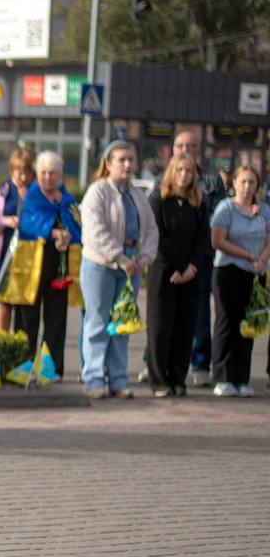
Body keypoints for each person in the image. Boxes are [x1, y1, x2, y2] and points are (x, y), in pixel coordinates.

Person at [79, 140, 158, 399]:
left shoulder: (136, 195)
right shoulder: (97, 191)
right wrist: (120, 257)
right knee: (98, 322)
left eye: (130, 159)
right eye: (121, 159)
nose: (127, 164)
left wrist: (143, 257)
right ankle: (93, 378)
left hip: (131, 268)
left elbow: (150, 229)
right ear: (108, 163)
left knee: (122, 324)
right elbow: (94, 231)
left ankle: (118, 379)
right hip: (101, 266)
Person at [145, 154, 208, 397]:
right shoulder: (158, 200)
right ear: (172, 171)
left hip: (191, 275)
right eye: (180, 169)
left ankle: (177, 378)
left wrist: (190, 267)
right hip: (164, 272)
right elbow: (158, 236)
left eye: (189, 170)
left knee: (184, 328)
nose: (184, 174)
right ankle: (159, 380)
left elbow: (203, 239)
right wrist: (180, 267)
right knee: (161, 329)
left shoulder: (199, 204)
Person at [13, 151, 80, 378]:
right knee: (27, 317)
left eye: (53, 173)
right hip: (33, 265)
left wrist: (69, 235)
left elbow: (77, 226)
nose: (48, 177)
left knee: (56, 318)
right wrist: (52, 232)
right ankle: (23, 363)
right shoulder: (32, 197)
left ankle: (51, 367)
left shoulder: (67, 199)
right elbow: (27, 226)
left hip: (58, 267)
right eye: (43, 173)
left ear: (60, 175)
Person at [170, 131, 227, 387]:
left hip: (200, 256)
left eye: (191, 145)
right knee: (164, 313)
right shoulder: (166, 177)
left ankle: (200, 364)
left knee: (199, 313)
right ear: (173, 148)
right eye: (181, 145)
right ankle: (156, 361)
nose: (186, 149)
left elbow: (219, 215)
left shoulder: (212, 180)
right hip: (170, 255)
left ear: (199, 149)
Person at [209, 166, 269, 398]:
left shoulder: (263, 210)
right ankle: (223, 377)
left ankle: (242, 378)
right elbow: (217, 240)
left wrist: (262, 258)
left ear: (257, 186)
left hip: (255, 273)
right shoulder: (226, 208)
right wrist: (246, 255)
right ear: (235, 182)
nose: (247, 187)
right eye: (243, 181)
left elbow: (269, 239)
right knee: (227, 322)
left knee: (249, 324)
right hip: (229, 270)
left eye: (252, 182)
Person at [0, 147, 36, 330]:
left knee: (24, 300)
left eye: (28, 172)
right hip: (3, 252)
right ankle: (2, 340)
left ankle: (22, 344)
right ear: (12, 170)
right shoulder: (2, 192)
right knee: (3, 299)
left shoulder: (37, 192)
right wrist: (5, 221)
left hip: (29, 254)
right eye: (19, 172)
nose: (23, 177)